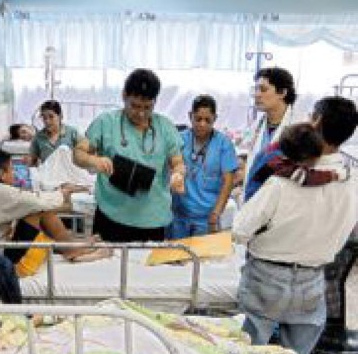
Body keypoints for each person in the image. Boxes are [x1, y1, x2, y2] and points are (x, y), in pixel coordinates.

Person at [233, 96, 358, 354]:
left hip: (267, 277)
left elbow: (239, 230)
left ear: (316, 122)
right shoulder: (351, 181)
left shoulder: (282, 182)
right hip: (312, 279)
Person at [0, 148, 106, 265]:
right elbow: (37, 202)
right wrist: (62, 192)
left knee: (35, 206)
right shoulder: (3, 192)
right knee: (40, 210)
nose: (14, 174)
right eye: (11, 170)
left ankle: (69, 245)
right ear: (1, 174)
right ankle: (70, 248)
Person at [73, 68, 185, 242]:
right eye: (135, 106)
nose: (141, 113)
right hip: (111, 217)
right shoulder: (106, 123)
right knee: (105, 259)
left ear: (155, 102)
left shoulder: (165, 127)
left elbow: (177, 162)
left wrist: (178, 175)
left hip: (152, 219)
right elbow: (78, 154)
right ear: (124, 96)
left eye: (147, 107)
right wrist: (93, 160)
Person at [166, 95, 238, 239]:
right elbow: (167, 169)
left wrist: (216, 213)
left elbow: (228, 182)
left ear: (215, 119)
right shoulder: (179, 139)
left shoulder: (224, 144)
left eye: (207, 120)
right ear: (190, 116)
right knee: (175, 252)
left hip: (207, 217)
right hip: (178, 214)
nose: (202, 124)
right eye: (198, 119)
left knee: (201, 253)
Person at [244, 67, 299, 201]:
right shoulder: (256, 125)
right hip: (253, 197)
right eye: (255, 89)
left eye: (263, 89)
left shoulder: (298, 128)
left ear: (282, 92)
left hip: (282, 200)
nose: (257, 94)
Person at [28, 100, 80, 165]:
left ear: (60, 116)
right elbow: (32, 161)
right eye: (44, 118)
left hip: (69, 170)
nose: (47, 121)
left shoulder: (72, 133)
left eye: (51, 117)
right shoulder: (38, 137)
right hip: (47, 171)